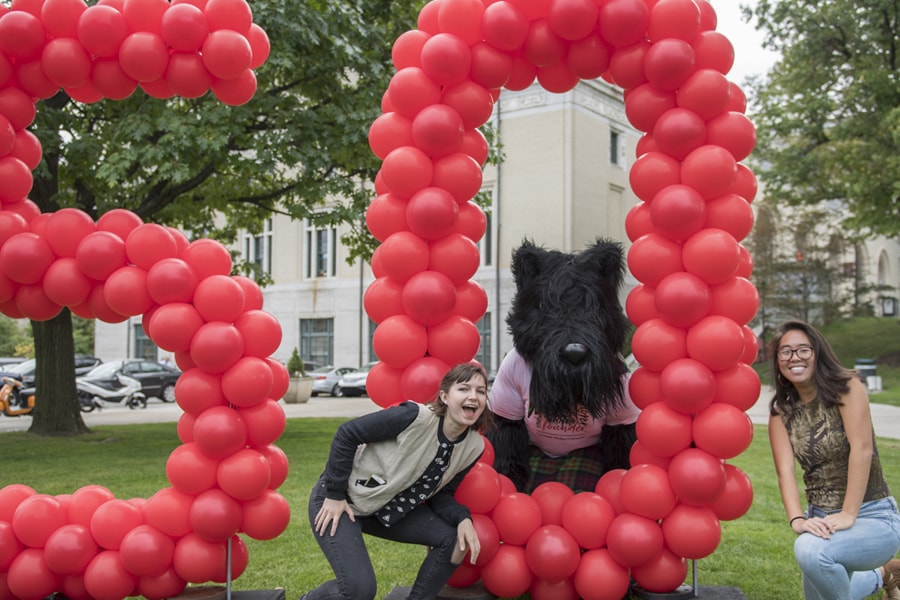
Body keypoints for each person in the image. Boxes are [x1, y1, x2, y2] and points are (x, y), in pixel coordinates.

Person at [302, 362, 492, 600]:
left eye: (481, 391)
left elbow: (441, 494)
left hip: (385, 509)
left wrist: (462, 519)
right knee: (359, 591)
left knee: (454, 540)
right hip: (341, 502)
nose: (473, 396)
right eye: (464, 389)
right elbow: (347, 434)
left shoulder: (474, 447)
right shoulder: (413, 416)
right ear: (444, 396)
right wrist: (334, 495)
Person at [767, 320, 900, 600]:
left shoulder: (846, 388)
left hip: (872, 516)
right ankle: (884, 574)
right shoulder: (782, 412)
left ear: (817, 352)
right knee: (827, 584)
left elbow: (862, 450)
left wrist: (849, 513)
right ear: (778, 360)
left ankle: (880, 568)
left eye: (803, 349)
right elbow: (785, 472)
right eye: (785, 352)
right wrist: (797, 520)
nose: (795, 358)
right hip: (820, 521)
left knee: (809, 550)